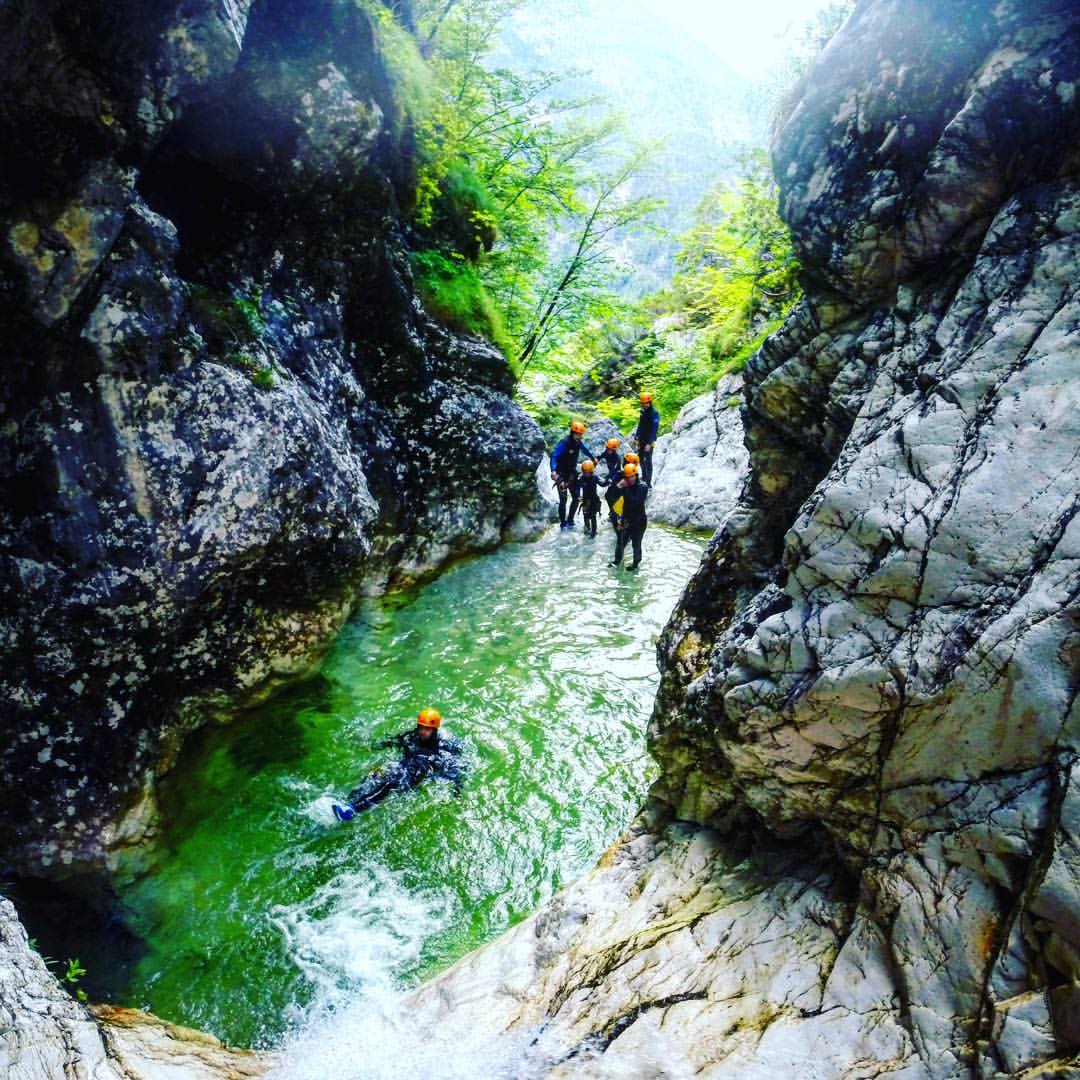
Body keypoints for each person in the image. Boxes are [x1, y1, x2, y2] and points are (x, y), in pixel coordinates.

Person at [332, 708, 465, 819]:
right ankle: (347, 802)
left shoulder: (442, 747)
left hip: (417, 775)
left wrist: (457, 790)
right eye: (421, 727)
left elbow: (457, 767)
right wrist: (373, 746)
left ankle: (352, 811)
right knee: (373, 775)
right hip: (404, 766)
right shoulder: (412, 736)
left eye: (427, 729)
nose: (423, 732)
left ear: (434, 730)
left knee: (390, 783)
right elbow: (394, 742)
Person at [549, 420, 596, 529]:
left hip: (571, 474)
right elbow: (554, 456)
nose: (579, 436)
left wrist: (593, 458)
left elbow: (584, 449)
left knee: (576, 498)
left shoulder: (578, 442)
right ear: (572, 433)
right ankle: (563, 523)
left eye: (580, 434)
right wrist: (553, 470)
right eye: (577, 434)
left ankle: (570, 519)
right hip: (561, 474)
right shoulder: (564, 443)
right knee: (563, 500)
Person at [608, 462, 649, 571]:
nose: (629, 479)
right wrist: (616, 487)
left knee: (636, 543)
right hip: (626, 519)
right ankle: (617, 561)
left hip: (639, 521)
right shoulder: (624, 485)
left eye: (631, 477)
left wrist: (625, 488)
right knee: (620, 541)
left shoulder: (643, 487)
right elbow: (610, 497)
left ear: (636, 475)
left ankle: (635, 564)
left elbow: (635, 502)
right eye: (627, 477)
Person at [633, 392, 660, 486]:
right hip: (641, 439)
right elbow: (640, 425)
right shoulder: (643, 411)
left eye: (646, 403)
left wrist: (649, 443)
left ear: (650, 402)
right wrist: (636, 438)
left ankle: (648, 483)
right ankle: (644, 476)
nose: (645, 405)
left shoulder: (654, 413)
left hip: (649, 440)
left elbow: (654, 429)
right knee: (640, 458)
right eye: (643, 403)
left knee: (648, 461)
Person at [578, 460, 603, 538]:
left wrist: (608, 481)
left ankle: (594, 532)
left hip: (594, 500)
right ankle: (587, 528)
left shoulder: (595, 477)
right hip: (585, 500)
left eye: (588, 472)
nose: (586, 474)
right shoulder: (581, 478)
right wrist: (578, 496)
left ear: (591, 471)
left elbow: (602, 484)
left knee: (593, 516)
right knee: (585, 515)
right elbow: (577, 487)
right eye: (585, 472)